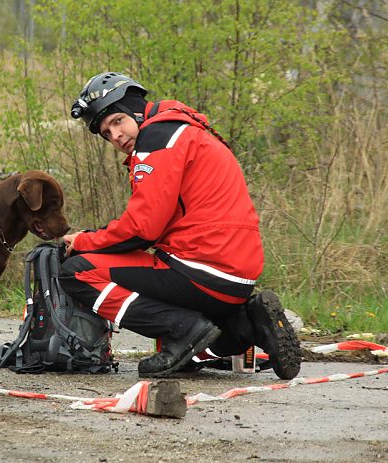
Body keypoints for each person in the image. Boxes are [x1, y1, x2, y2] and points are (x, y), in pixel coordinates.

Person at [60, 71, 301, 379]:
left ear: (135, 109)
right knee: (193, 351)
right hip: (236, 277)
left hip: (202, 268)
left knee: (77, 271)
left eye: (117, 121)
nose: (115, 136)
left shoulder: (159, 139)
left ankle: (184, 331)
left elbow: (142, 229)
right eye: (106, 133)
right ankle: (248, 324)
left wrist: (83, 241)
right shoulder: (188, 130)